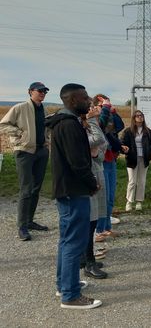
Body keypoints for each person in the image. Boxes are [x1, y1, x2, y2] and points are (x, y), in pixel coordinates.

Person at [45, 83, 102, 309]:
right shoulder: (68, 125)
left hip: (69, 189)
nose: (89, 100)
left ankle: (64, 284)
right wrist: (92, 182)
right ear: (71, 100)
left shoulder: (66, 122)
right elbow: (78, 162)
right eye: (84, 97)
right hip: (74, 190)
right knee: (73, 242)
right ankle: (70, 295)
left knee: (66, 239)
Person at [0, 82, 50, 241]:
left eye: (45, 91)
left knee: (36, 188)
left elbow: (46, 127)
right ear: (30, 92)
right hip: (24, 152)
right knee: (26, 188)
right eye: (40, 91)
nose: (43, 93)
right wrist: (19, 133)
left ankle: (29, 221)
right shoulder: (19, 108)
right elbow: (3, 125)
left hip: (41, 151)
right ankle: (21, 226)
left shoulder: (44, 109)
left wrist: (47, 140)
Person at [94, 94, 126, 243]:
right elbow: (102, 130)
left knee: (110, 197)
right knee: (103, 198)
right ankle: (99, 230)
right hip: (101, 162)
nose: (107, 105)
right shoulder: (94, 120)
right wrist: (105, 109)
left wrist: (112, 111)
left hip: (111, 159)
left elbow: (119, 126)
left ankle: (106, 228)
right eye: (103, 104)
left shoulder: (108, 118)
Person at [81, 105, 108, 279]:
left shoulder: (89, 126)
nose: (92, 110)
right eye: (89, 108)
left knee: (93, 219)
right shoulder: (77, 127)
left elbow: (101, 150)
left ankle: (86, 257)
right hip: (87, 177)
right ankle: (87, 261)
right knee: (88, 221)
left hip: (96, 173)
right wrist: (91, 119)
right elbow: (98, 140)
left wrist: (96, 153)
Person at [121, 110, 151, 212]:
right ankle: (129, 202)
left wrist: (150, 150)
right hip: (132, 159)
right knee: (132, 181)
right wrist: (126, 150)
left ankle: (139, 202)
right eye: (137, 116)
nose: (140, 117)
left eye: (141, 115)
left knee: (141, 181)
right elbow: (122, 143)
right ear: (134, 118)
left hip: (144, 159)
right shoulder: (128, 131)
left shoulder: (147, 131)